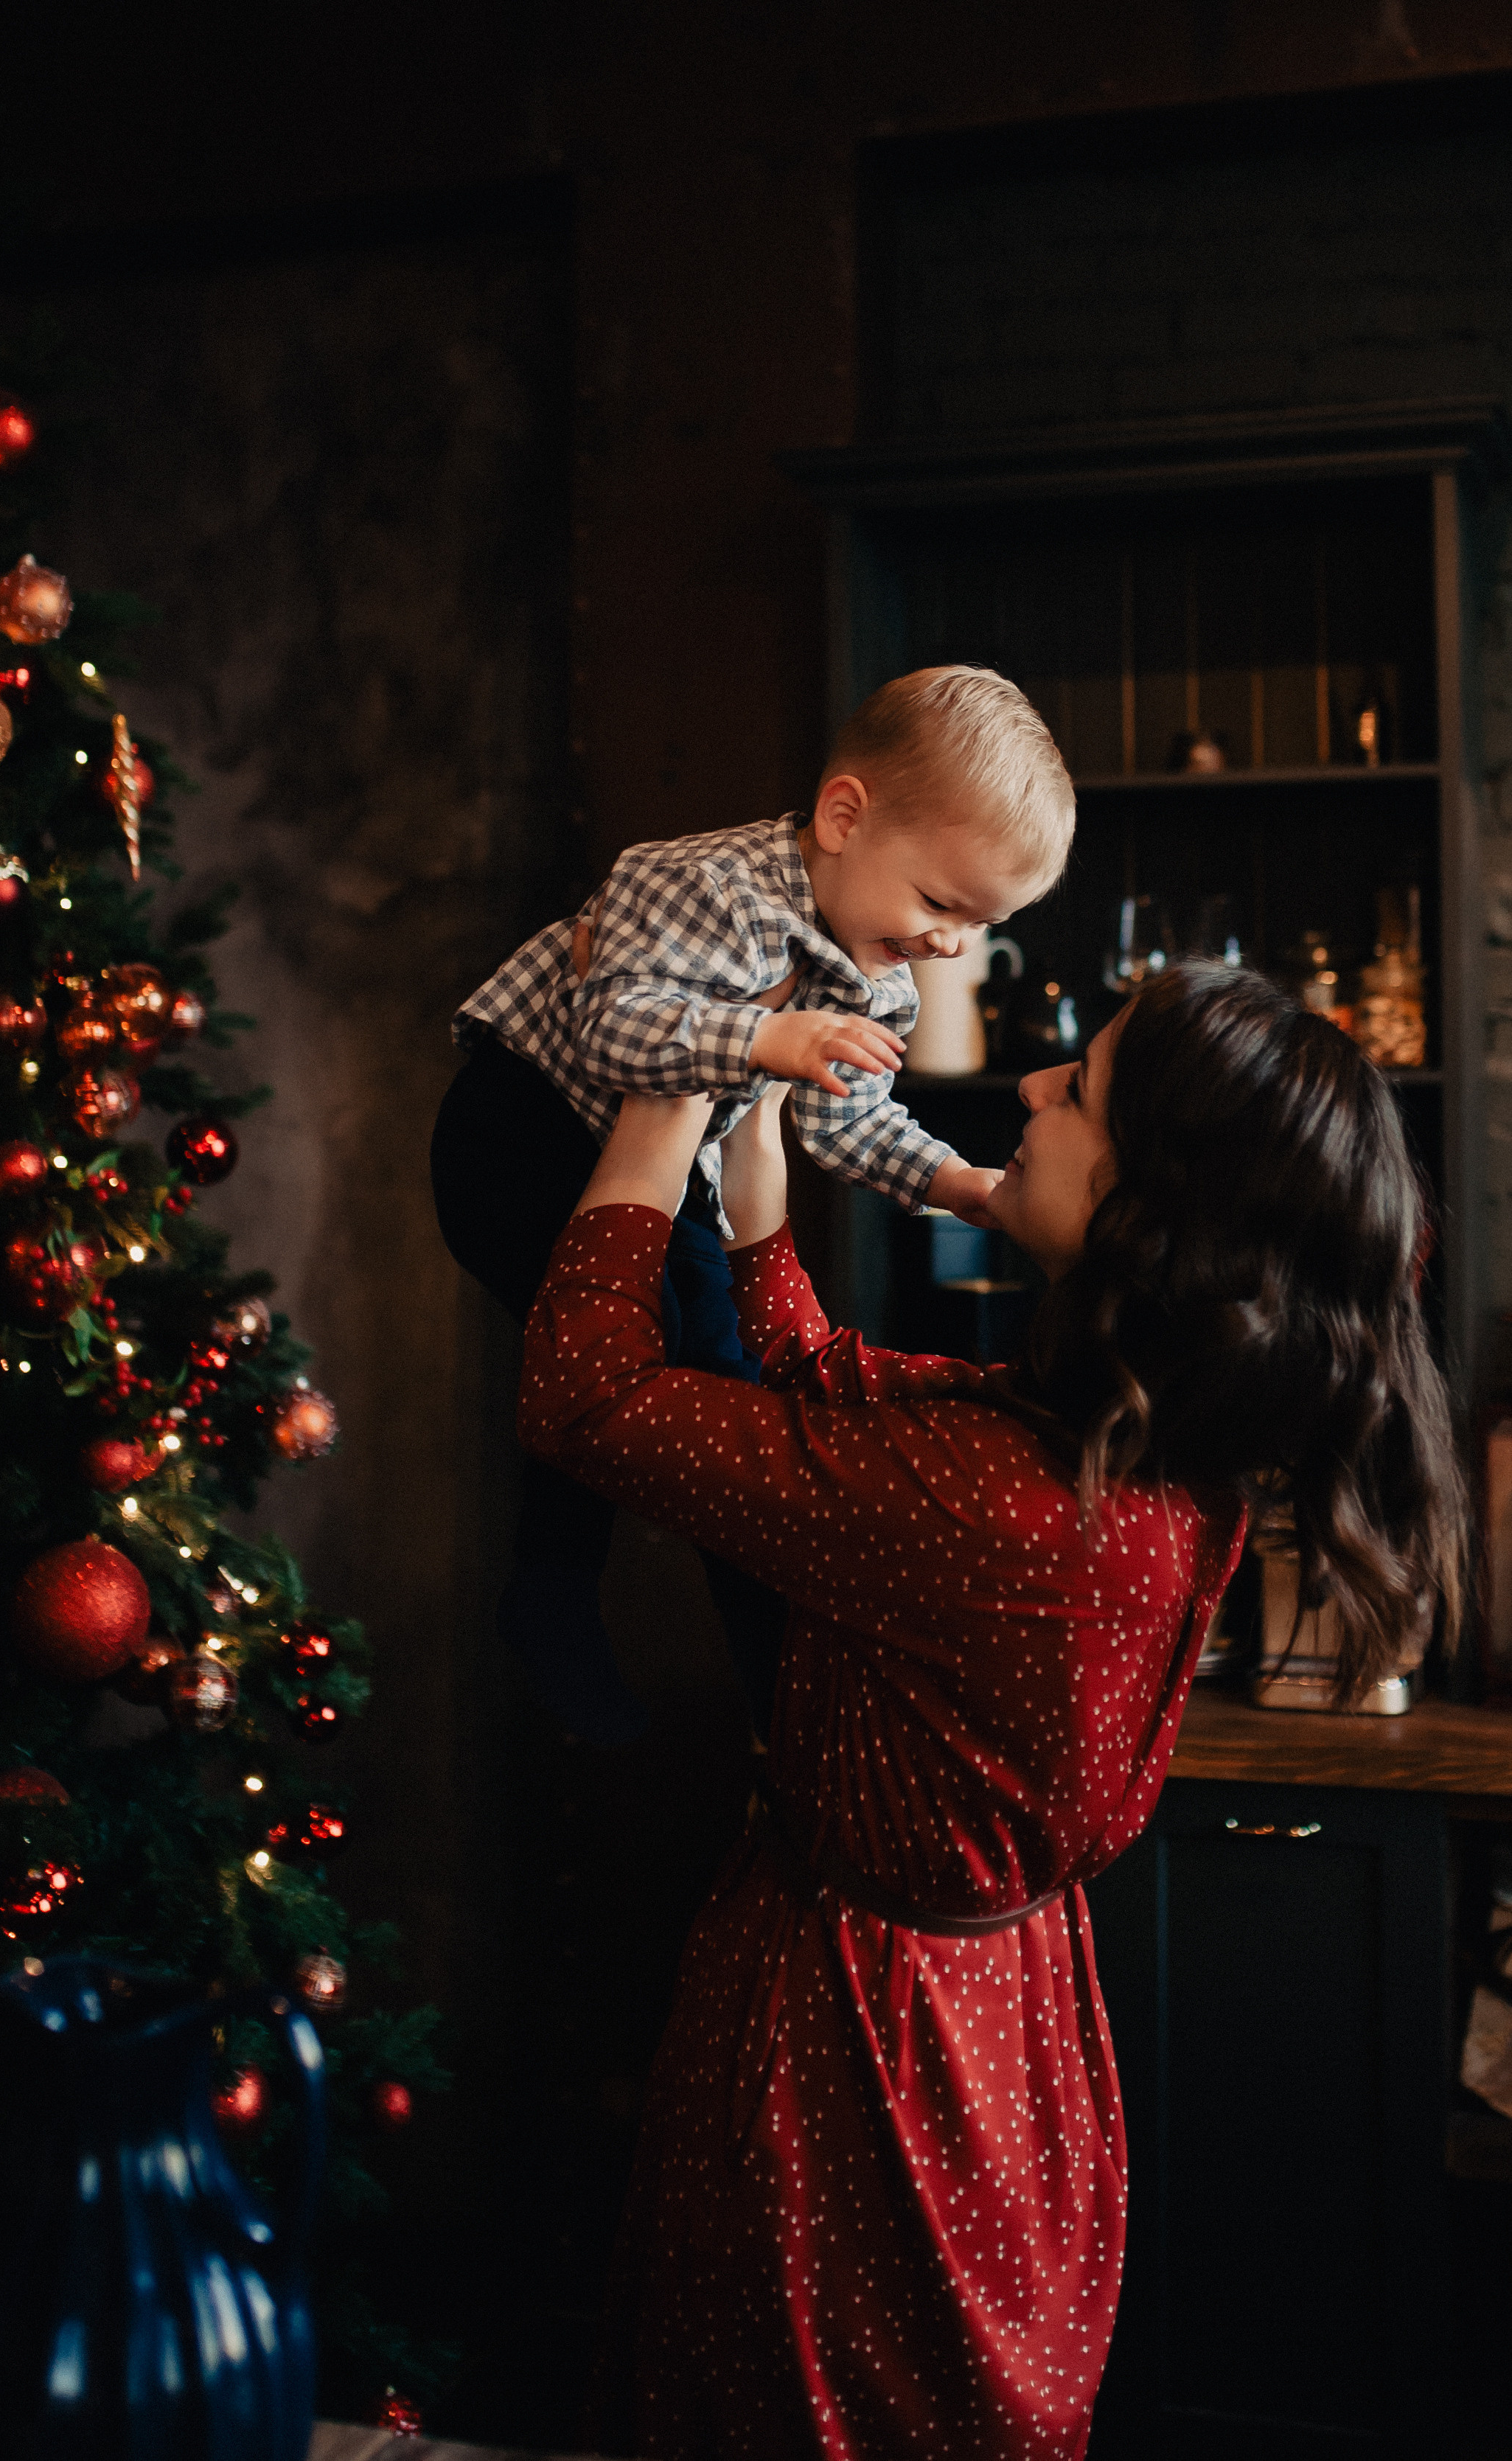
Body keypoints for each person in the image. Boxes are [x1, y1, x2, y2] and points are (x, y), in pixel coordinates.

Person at [515, 961, 1467, 2461]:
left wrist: (661, 1092)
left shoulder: (1004, 1506)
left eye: (1074, 1091)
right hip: (992, 2027)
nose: (1029, 1088)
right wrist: (754, 1178)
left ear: (1155, 1210)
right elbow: (831, 1393)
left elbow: (584, 1394)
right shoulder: (1125, 1453)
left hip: (861, 2058)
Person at [433, 665, 1073, 1743]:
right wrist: (766, 1039)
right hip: (521, 1129)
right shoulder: (698, 884)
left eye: (980, 923)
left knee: (711, 1385)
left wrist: (957, 1183)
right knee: (660, 1371)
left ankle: (745, 1647)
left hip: (638, 1175)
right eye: (938, 904)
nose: (951, 946)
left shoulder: (875, 968)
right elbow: (613, 1031)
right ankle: (598, 1607)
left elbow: (842, 1121)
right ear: (842, 816)